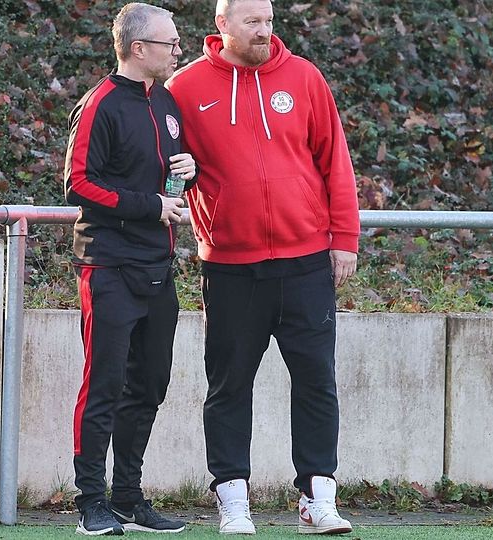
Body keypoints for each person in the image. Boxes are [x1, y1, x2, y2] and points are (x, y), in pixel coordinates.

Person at [165, 0, 359, 535]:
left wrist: (344, 239)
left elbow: (334, 160)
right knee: (228, 385)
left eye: (269, 21)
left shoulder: (304, 77)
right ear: (222, 26)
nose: (264, 31)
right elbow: (160, 158)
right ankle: (233, 502)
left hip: (306, 261)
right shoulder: (185, 88)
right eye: (252, 22)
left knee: (318, 382)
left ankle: (317, 499)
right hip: (230, 266)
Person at [63, 3, 195, 536]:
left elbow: (167, 174)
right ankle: (90, 502)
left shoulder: (165, 101)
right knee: (105, 384)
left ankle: (128, 498)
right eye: (170, 43)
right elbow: (78, 185)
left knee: (150, 385)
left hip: (158, 268)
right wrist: (149, 206)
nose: (178, 50)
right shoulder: (99, 104)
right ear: (139, 49)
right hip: (109, 266)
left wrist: (192, 168)